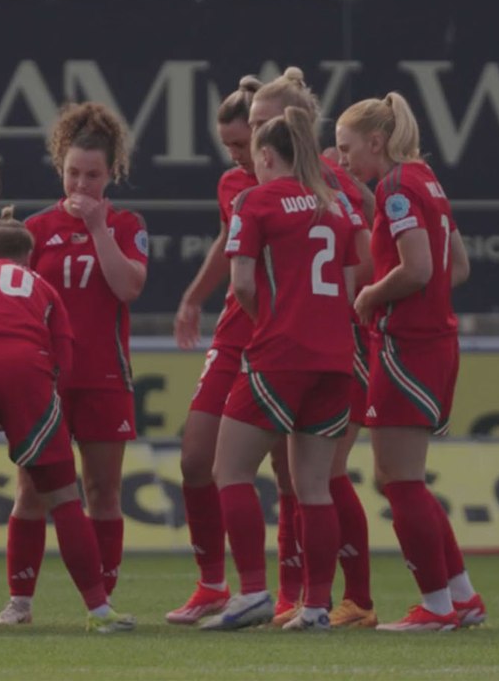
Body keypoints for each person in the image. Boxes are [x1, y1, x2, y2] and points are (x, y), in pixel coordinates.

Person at [0, 209, 136, 634]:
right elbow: (65, 354)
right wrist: (40, 400)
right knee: (64, 499)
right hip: (25, 370)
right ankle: (99, 610)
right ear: (27, 257)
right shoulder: (42, 285)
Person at [200, 107, 359, 632]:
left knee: (230, 471)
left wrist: (270, 322)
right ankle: (315, 606)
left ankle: (250, 591)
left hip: (279, 354)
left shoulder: (255, 200)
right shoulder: (334, 203)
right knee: (314, 486)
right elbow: (354, 279)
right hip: (337, 358)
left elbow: (241, 282)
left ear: (265, 156)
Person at [0, 102, 148, 625]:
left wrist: (99, 228)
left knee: (104, 490)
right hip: (46, 380)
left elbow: (127, 287)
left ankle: (102, 603)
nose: (83, 184)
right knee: (31, 488)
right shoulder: (35, 227)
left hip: (105, 377)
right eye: (74, 173)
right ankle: (20, 602)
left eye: (94, 175)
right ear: (60, 166)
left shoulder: (126, 223)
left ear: (112, 173)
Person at [335, 92, 480, 632]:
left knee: (398, 480)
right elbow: (456, 266)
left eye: (348, 149)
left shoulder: (396, 188)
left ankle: (436, 606)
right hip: (437, 343)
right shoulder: (428, 182)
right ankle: (461, 597)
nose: (344, 160)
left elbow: (419, 268)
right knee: (402, 476)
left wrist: (372, 294)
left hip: (406, 345)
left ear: (376, 142)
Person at [244, 68, 375, 627]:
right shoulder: (311, 186)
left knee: (323, 475)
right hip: (320, 341)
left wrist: (302, 307)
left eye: (262, 122)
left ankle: (354, 596)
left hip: (309, 343)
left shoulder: (322, 182)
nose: (253, 133)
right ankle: (298, 596)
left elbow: (366, 260)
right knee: (298, 478)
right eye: (252, 123)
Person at [167, 75, 261, 624]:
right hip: (233, 335)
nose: (234, 155)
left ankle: (297, 593)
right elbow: (231, 244)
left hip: (284, 341)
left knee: (296, 475)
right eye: (228, 146)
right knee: (195, 458)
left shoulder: (314, 180)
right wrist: (194, 296)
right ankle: (211, 585)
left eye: (242, 144)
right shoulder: (232, 185)